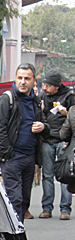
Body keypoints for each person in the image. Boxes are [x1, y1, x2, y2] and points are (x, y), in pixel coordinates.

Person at [0, 63, 48, 240]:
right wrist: (7, 153)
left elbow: (45, 125)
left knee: (24, 200)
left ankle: (14, 234)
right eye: (20, 78)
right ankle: (15, 239)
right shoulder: (7, 99)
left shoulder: (35, 100)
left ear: (34, 81)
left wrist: (43, 127)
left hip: (29, 157)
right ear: (15, 79)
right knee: (14, 198)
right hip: (12, 158)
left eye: (27, 78)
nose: (23, 82)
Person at [38, 69, 75, 220]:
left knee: (65, 175)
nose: (45, 88)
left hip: (64, 142)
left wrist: (67, 114)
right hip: (47, 140)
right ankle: (47, 208)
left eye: (48, 85)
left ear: (57, 87)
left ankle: (65, 209)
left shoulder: (69, 97)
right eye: (44, 85)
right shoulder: (42, 97)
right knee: (47, 175)